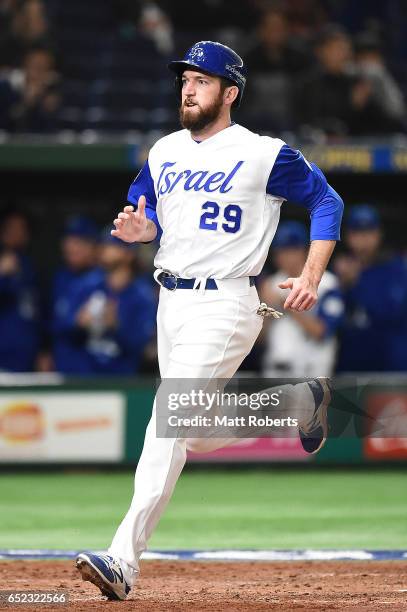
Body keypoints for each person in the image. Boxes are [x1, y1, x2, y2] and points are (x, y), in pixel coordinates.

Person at [76, 41, 344, 600]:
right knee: (192, 432)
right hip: (169, 302)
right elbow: (147, 219)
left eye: (202, 79)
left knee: (166, 419)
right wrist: (137, 232)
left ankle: (122, 559)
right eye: (185, 78)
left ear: (230, 92)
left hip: (225, 301)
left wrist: (312, 276)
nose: (188, 87)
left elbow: (327, 202)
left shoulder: (262, 153)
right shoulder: (164, 150)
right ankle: (294, 403)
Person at [52, 227, 156, 375]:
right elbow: (58, 326)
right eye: (104, 245)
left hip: (122, 378)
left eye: (112, 245)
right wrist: (77, 322)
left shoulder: (142, 294)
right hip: (82, 375)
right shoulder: (86, 285)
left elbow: (142, 346)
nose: (105, 250)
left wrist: (116, 327)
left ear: (128, 253)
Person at [260, 221, 344, 377]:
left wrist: (282, 302)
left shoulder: (326, 283)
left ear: (305, 251)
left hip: (312, 371)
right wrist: (262, 306)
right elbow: (260, 338)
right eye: (281, 251)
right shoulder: (271, 284)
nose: (286, 257)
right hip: (276, 369)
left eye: (292, 250)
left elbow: (321, 332)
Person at [335, 204, 407, 372]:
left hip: (390, 365)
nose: (363, 239)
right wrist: (344, 286)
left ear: (378, 235)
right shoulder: (339, 270)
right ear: (348, 236)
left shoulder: (396, 269)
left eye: (368, 232)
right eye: (357, 232)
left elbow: (391, 313)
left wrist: (355, 284)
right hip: (351, 365)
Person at [49, 216, 99, 374]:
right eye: (68, 241)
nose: (71, 247)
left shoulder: (104, 281)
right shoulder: (60, 278)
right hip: (62, 365)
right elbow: (50, 322)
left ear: (93, 247)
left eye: (79, 242)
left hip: (98, 369)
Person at [0, 209, 39, 371]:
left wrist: (43, 348)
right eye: (11, 228)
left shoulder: (29, 265)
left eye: (21, 228)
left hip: (27, 355)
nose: (17, 233)